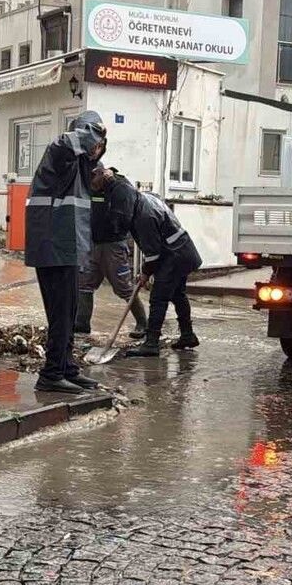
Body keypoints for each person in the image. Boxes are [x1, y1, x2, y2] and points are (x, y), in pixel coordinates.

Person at [24, 110, 107, 394]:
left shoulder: (78, 169)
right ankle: (51, 374)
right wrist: (94, 131)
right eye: (96, 143)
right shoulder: (61, 156)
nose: (97, 150)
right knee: (61, 312)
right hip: (53, 245)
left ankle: (66, 368)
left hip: (64, 247)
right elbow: (63, 143)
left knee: (68, 312)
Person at [119, 184, 202, 357]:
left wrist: (145, 273)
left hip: (175, 256)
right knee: (178, 294)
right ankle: (188, 335)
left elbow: (153, 253)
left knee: (158, 298)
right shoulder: (145, 199)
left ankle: (151, 343)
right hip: (183, 251)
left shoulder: (144, 217)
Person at [76, 167, 148, 339]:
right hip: (93, 244)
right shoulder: (96, 188)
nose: (91, 186)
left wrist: (112, 228)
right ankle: (82, 324)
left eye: (93, 181)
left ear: (103, 175)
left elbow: (124, 218)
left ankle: (143, 323)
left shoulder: (121, 189)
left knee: (123, 287)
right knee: (85, 284)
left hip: (113, 246)